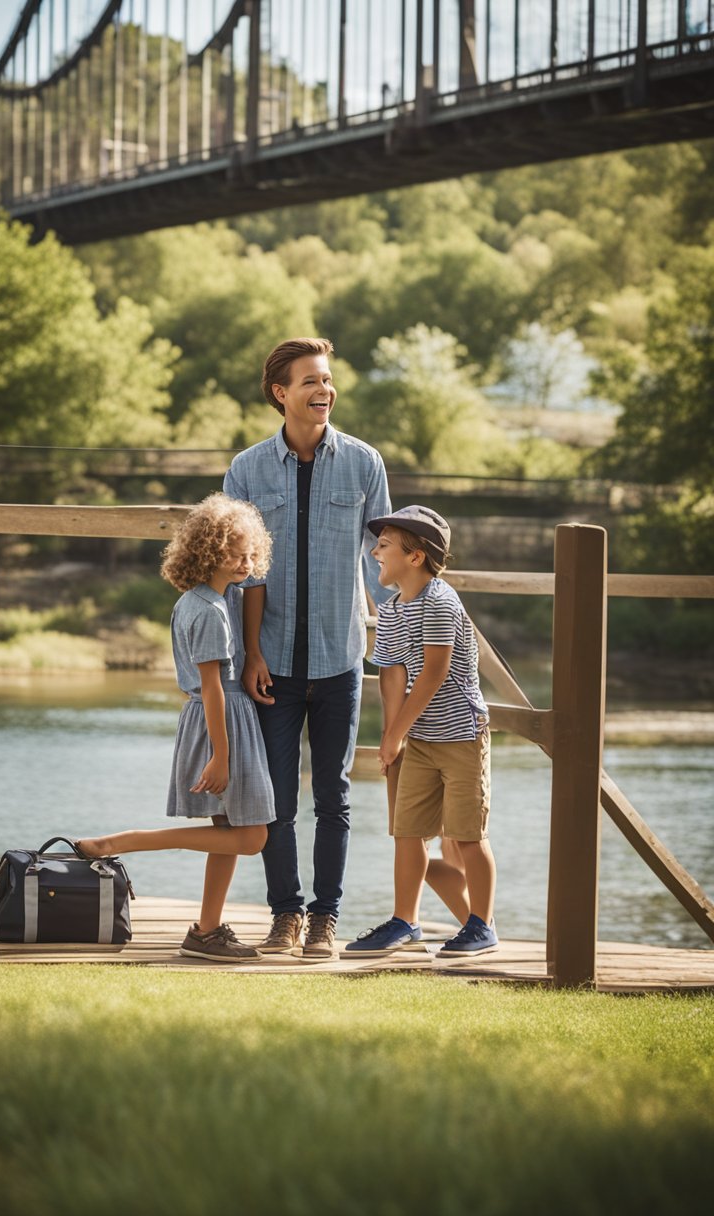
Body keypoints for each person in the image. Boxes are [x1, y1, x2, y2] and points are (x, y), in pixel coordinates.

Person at [223, 337, 392, 960]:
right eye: (311, 382)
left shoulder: (364, 463)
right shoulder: (246, 470)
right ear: (281, 393)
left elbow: (384, 567)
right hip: (270, 662)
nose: (324, 391)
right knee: (276, 800)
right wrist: (248, 655)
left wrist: (403, 645)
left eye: (328, 381)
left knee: (335, 797)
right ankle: (284, 915)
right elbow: (241, 571)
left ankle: (326, 918)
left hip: (341, 656)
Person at [77, 493, 276, 963]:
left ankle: (205, 932)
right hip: (222, 721)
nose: (246, 563)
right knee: (252, 837)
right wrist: (221, 756)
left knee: (229, 831)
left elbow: (212, 676)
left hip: (220, 716)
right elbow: (211, 688)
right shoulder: (209, 612)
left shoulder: (202, 600)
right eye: (235, 554)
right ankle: (121, 843)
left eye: (251, 554)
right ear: (208, 553)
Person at [344, 505, 499, 958]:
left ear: (415, 558)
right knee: (407, 832)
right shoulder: (392, 608)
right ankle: (405, 921)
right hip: (422, 739)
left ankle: (481, 926)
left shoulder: (440, 600)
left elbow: (434, 672)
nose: (375, 552)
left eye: (385, 545)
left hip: (462, 737)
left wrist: (395, 737)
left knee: (468, 835)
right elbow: (392, 673)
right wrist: (394, 736)